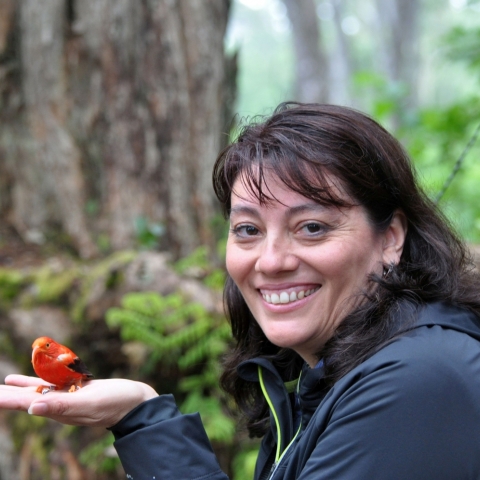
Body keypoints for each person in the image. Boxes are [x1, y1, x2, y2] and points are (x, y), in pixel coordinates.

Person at [2, 102, 480, 479]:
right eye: (248, 230)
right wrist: (140, 418)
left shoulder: (418, 382)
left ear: (391, 238)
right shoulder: (327, 377)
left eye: (312, 227)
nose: (271, 261)